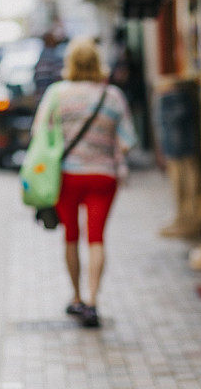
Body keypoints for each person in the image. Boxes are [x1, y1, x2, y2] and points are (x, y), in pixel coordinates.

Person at [32, 38, 137, 327]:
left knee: (71, 236)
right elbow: (128, 141)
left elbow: (39, 131)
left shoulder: (56, 94)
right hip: (103, 177)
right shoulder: (112, 96)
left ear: (71, 63)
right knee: (96, 238)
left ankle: (76, 297)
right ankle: (93, 301)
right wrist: (105, 149)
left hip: (66, 177)